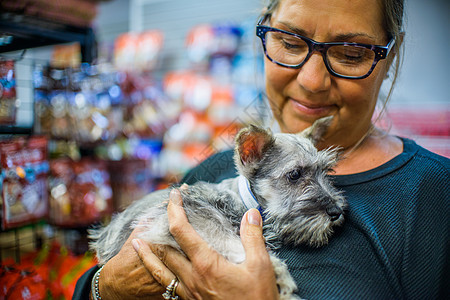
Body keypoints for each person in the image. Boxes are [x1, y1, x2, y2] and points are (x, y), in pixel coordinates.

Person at [73, 0, 449, 299]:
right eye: (290, 41)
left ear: (390, 54)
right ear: (265, 34)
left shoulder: (436, 196)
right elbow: (94, 285)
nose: (312, 81)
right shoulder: (209, 174)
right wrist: (105, 289)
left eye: (350, 53)